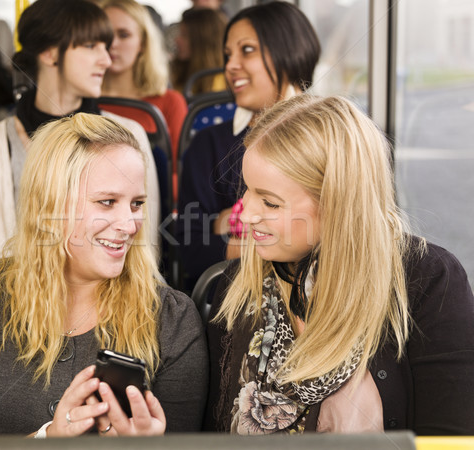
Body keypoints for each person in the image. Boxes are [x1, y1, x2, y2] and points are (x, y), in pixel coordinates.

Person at [0, 113, 208, 436]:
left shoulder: (173, 322)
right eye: (107, 202)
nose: (129, 225)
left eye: (136, 204)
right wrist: (47, 439)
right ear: (49, 208)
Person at [203, 94, 474, 434]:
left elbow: (450, 436)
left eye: (270, 203)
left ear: (337, 207)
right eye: (247, 190)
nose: (247, 212)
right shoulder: (238, 284)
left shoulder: (430, 282)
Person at [0, 0, 160, 262]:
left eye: (105, 47)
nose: (106, 60)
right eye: (91, 46)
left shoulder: (130, 134)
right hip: (24, 298)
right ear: (50, 53)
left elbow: (143, 247)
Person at [176, 1, 321, 292]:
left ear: (289, 52)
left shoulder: (330, 138)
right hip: (235, 294)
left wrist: (228, 225)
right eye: (228, 54)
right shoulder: (207, 144)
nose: (230, 66)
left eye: (247, 50)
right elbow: (190, 249)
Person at [99, 0, 187, 165]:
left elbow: (177, 174)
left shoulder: (170, 102)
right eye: (105, 35)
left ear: (143, 43)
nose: (112, 44)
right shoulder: (80, 101)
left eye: (123, 35)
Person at [170, 8, 228, 97]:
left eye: (184, 35)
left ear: (203, 42)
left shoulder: (225, 83)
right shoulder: (177, 73)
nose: (177, 40)